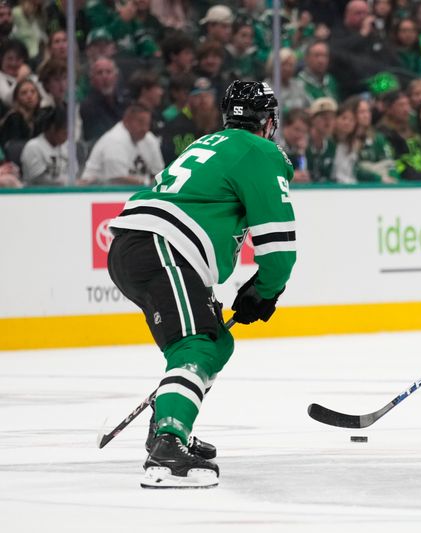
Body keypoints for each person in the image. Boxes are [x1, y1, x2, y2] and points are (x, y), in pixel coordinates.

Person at [107, 80, 297, 488]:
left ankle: (171, 420)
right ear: (268, 121)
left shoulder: (209, 143)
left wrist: (255, 291)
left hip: (141, 244)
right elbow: (279, 251)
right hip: (162, 244)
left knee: (215, 341)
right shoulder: (261, 152)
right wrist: (263, 293)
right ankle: (168, 445)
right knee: (195, 345)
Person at [81, 103, 164, 186]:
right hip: (95, 192)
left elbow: (158, 172)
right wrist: (147, 182)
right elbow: (117, 179)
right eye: (140, 122)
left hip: (130, 192)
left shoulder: (149, 139)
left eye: (147, 124)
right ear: (126, 121)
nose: (144, 128)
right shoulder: (115, 140)